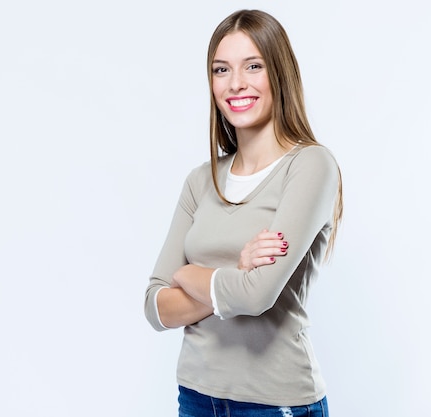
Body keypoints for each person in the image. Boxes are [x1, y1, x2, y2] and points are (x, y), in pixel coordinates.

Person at [144, 9, 343, 417]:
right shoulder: (202, 180)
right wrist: (236, 270)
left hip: (275, 404)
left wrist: (189, 274)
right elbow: (155, 307)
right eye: (221, 70)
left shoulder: (310, 166)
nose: (236, 83)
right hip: (196, 397)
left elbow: (256, 296)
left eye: (253, 66)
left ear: (279, 73)